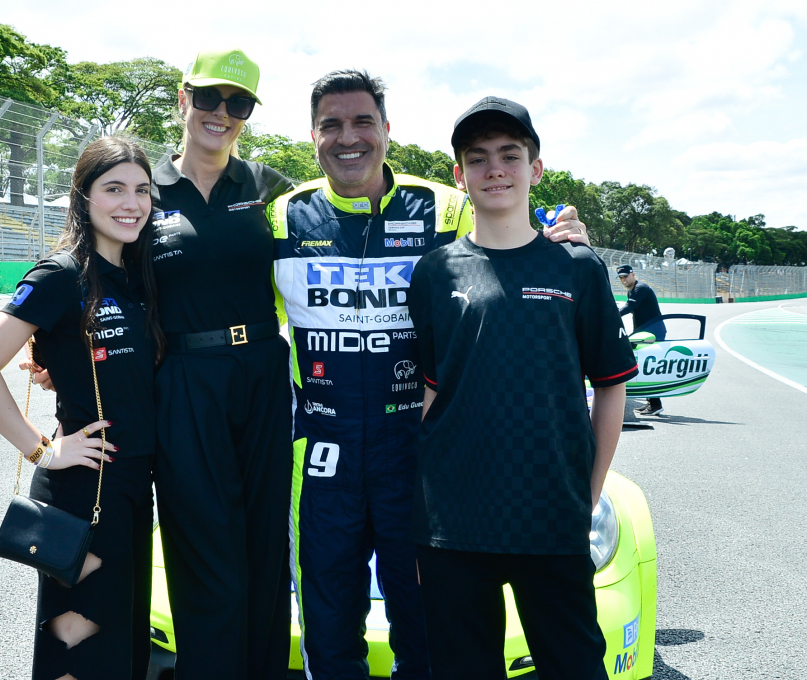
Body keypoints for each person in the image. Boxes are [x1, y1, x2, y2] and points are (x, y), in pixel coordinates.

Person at [269, 72, 590, 679]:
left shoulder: (443, 205)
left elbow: (516, 220)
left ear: (387, 130)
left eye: (363, 121)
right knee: (329, 628)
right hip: (320, 456)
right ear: (312, 135)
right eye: (332, 124)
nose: (349, 138)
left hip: (421, 455)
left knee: (426, 626)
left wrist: (566, 234)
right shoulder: (284, 217)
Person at [407, 96, 636, 680]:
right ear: (460, 176)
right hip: (453, 523)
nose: (495, 169)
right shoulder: (435, 271)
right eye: (478, 159)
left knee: (575, 667)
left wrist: (588, 492)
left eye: (510, 155)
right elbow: (433, 392)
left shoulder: (577, 268)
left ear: (535, 169)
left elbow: (611, 388)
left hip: (551, 515)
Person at [0, 136, 164, 680]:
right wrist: (44, 451)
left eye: (141, 190)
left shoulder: (139, 277)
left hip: (135, 486)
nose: (131, 203)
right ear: (83, 196)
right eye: (113, 188)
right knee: (78, 647)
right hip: (83, 487)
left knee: (123, 648)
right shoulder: (62, 274)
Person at [149, 48, 295, 680]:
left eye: (237, 104)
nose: (221, 113)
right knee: (201, 542)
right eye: (209, 98)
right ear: (183, 99)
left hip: (264, 371)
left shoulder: (269, 187)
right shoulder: (142, 185)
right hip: (184, 377)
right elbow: (91, 268)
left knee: (265, 538)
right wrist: (52, 346)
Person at [617, 264, 665, 416]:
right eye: (621, 277)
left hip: (653, 332)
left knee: (646, 365)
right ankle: (653, 403)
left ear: (633, 274)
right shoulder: (632, 290)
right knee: (643, 365)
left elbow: (630, 307)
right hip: (644, 332)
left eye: (625, 276)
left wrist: (610, 316)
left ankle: (656, 404)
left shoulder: (640, 288)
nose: (624, 279)